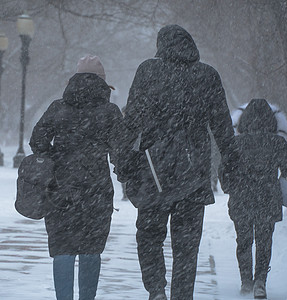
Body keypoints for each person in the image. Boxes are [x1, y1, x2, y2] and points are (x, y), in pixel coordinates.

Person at [121, 25, 239, 300]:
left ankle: (156, 290)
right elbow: (222, 126)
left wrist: (124, 161)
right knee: (187, 247)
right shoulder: (207, 75)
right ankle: (181, 295)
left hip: (154, 172)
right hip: (193, 173)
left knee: (149, 236)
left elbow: (132, 122)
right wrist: (230, 162)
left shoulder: (148, 71)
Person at [29, 55, 124, 300]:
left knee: (62, 248)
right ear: (103, 83)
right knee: (91, 249)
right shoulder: (110, 112)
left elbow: (37, 140)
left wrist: (55, 159)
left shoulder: (58, 108)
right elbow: (120, 149)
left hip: (59, 188)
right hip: (97, 189)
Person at [225, 98, 287, 299]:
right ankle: (260, 282)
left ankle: (246, 281)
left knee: (244, 241)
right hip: (268, 197)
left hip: (241, 198)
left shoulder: (235, 143)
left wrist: (231, 188)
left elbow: (224, 170)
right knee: (264, 241)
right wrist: (281, 185)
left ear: (244, 121)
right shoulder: (277, 142)